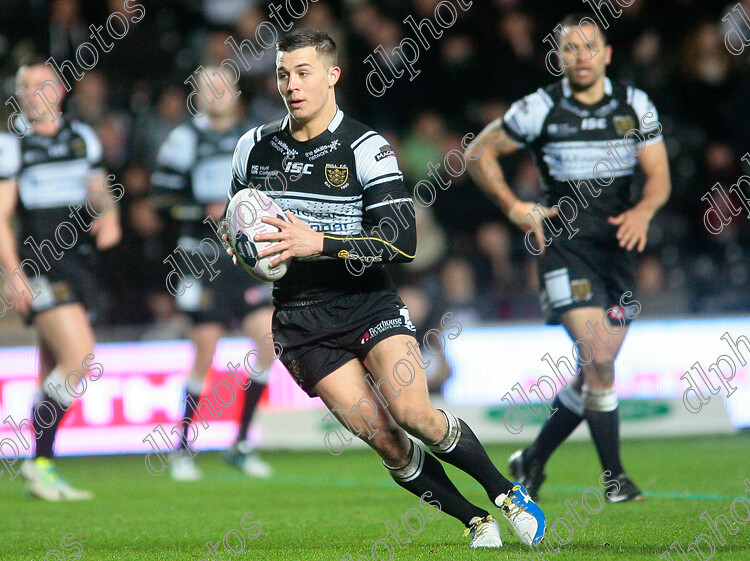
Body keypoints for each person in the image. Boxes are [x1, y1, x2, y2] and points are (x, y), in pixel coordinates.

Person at [222, 29, 545, 548]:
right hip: (301, 321)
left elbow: (402, 242)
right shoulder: (252, 148)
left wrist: (317, 243)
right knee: (386, 442)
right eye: (283, 74)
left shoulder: (365, 148)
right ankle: (473, 520)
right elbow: (237, 222)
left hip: (367, 302)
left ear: (332, 76)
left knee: (414, 413)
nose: (291, 84)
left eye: (303, 72)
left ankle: (508, 495)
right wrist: (242, 251)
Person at [466, 14, 671, 502]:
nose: (581, 56)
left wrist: (644, 210)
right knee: (598, 357)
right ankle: (615, 478)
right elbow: (477, 152)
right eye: (570, 49)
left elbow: (660, 176)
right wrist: (516, 207)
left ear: (607, 54)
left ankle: (533, 459)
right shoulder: (541, 107)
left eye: (589, 47)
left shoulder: (634, 104)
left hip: (619, 250)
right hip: (564, 245)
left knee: (593, 372)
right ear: (558, 58)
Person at [0, 56, 122, 500]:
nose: (33, 94)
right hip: (40, 265)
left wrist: (109, 213)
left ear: (60, 91)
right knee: (80, 359)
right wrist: (12, 274)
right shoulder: (9, 147)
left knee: (50, 369)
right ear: (19, 95)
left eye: (42, 84)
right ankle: (37, 462)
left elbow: (98, 188)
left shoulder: (81, 138)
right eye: (25, 87)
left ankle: (43, 466)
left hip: (80, 263)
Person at [150, 68, 276, 481]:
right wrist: (197, 210)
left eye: (223, 87)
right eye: (209, 88)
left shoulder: (253, 137)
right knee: (205, 349)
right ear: (199, 96)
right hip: (200, 257)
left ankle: (240, 444)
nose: (217, 95)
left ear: (236, 93)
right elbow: (160, 197)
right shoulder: (185, 138)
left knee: (269, 342)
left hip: (244, 257)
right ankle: (182, 450)